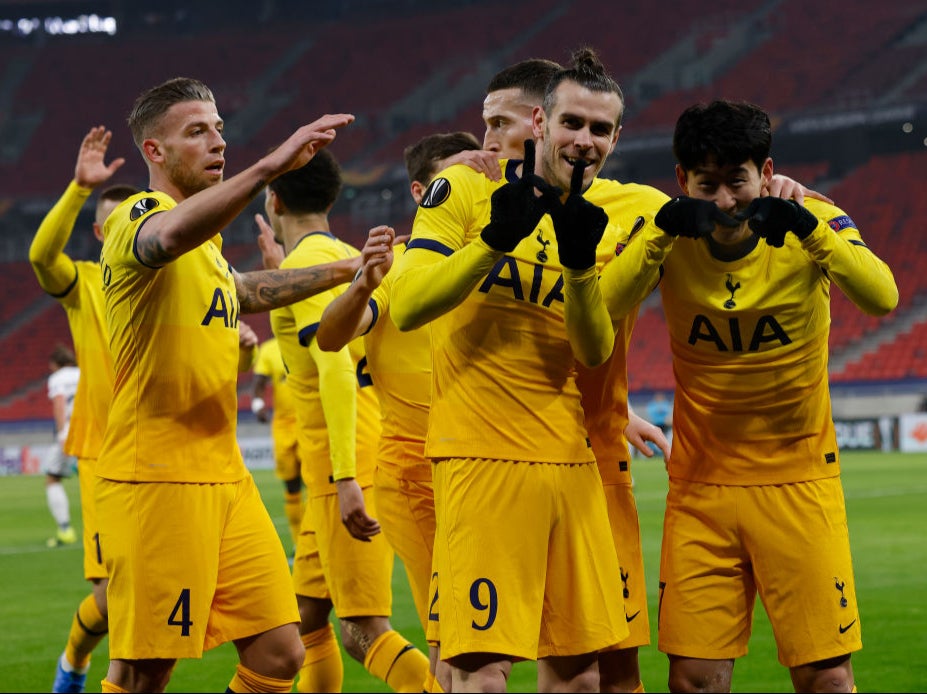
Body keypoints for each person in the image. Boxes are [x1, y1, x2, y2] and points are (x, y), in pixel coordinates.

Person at [599, 99, 898, 692]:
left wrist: (812, 226)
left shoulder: (813, 222)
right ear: (682, 180)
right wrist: (659, 233)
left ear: (765, 173)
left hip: (800, 482)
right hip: (701, 490)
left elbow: (882, 296)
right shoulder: (667, 237)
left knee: (827, 679)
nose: (725, 201)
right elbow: (599, 307)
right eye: (706, 184)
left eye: (737, 181)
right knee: (694, 681)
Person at [96, 76, 360, 693]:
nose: (218, 141)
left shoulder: (209, 246)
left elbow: (242, 292)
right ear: (154, 153)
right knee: (142, 672)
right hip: (156, 475)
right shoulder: (141, 215)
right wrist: (271, 167)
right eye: (197, 131)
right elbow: (165, 238)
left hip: (225, 474)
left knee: (279, 652)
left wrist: (347, 269)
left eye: (219, 128)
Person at [390, 48, 631, 692]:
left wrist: (582, 266)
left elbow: (592, 351)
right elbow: (408, 305)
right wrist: (493, 242)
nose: (585, 140)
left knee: (581, 677)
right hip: (481, 456)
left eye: (600, 129)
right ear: (541, 123)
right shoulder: (466, 188)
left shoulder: (599, 213)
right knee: (480, 674)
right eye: (573, 123)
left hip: (570, 462)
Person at [314, 130, 488, 693]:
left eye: (478, 173)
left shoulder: (496, 259)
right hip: (418, 475)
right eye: (453, 177)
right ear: (422, 192)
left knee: (504, 642)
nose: (470, 186)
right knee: (452, 645)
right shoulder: (402, 269)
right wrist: (364, 283)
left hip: (489, 471)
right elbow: (332, 337)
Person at [264, 148, 430, 693]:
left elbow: (333, 365)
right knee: (306, 616)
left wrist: (345, 478)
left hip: (346, 465)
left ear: (274, 199)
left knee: (361, 629)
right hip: (337, 468)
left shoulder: (301, 268)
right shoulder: (342, 255)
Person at [29, 125, 140, 694]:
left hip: (167, 454)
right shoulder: (86, 283)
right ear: (99, 233)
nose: (127, 229)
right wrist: (76, 189)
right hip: (102, 451)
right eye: (116, 222)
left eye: (137, 219)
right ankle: (74, 662)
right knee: (110, 596)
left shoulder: (169, 277)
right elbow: (42, 255)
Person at [250, 336, 305, 552]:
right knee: (291, 486)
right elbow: (259, 383)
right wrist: (257, 406)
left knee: (316, 482)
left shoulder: (307, 338)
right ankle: (298, 542)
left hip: (309, 421)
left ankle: (317, 538)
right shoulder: (269, 349)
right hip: (282, 426)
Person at [42, 344, 80, 548]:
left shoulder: (57, 378)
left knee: (52, 478)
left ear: (55, 364)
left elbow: (59, 402)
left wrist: (63, 433)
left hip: (70, 432)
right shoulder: (84, 373)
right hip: (91, 431)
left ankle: (65, 530)